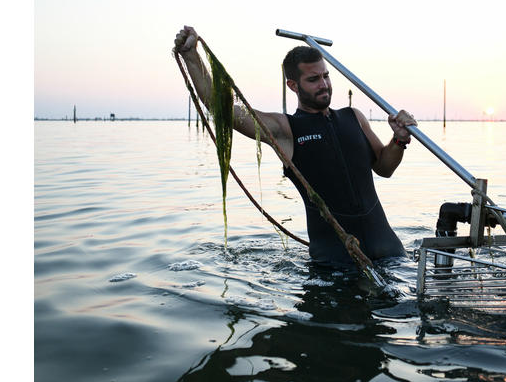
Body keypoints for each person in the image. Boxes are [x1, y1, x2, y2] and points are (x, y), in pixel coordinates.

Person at [174, 26, 417, 263]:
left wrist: (399, 139)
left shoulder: (354, 117)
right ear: (293, 85)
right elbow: (222, 107)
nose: (323, 84)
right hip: (333, 264)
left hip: (392, 254)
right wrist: (190, 55)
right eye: (313, 79)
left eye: (325, 76)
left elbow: (384, 168)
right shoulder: (285, 129)